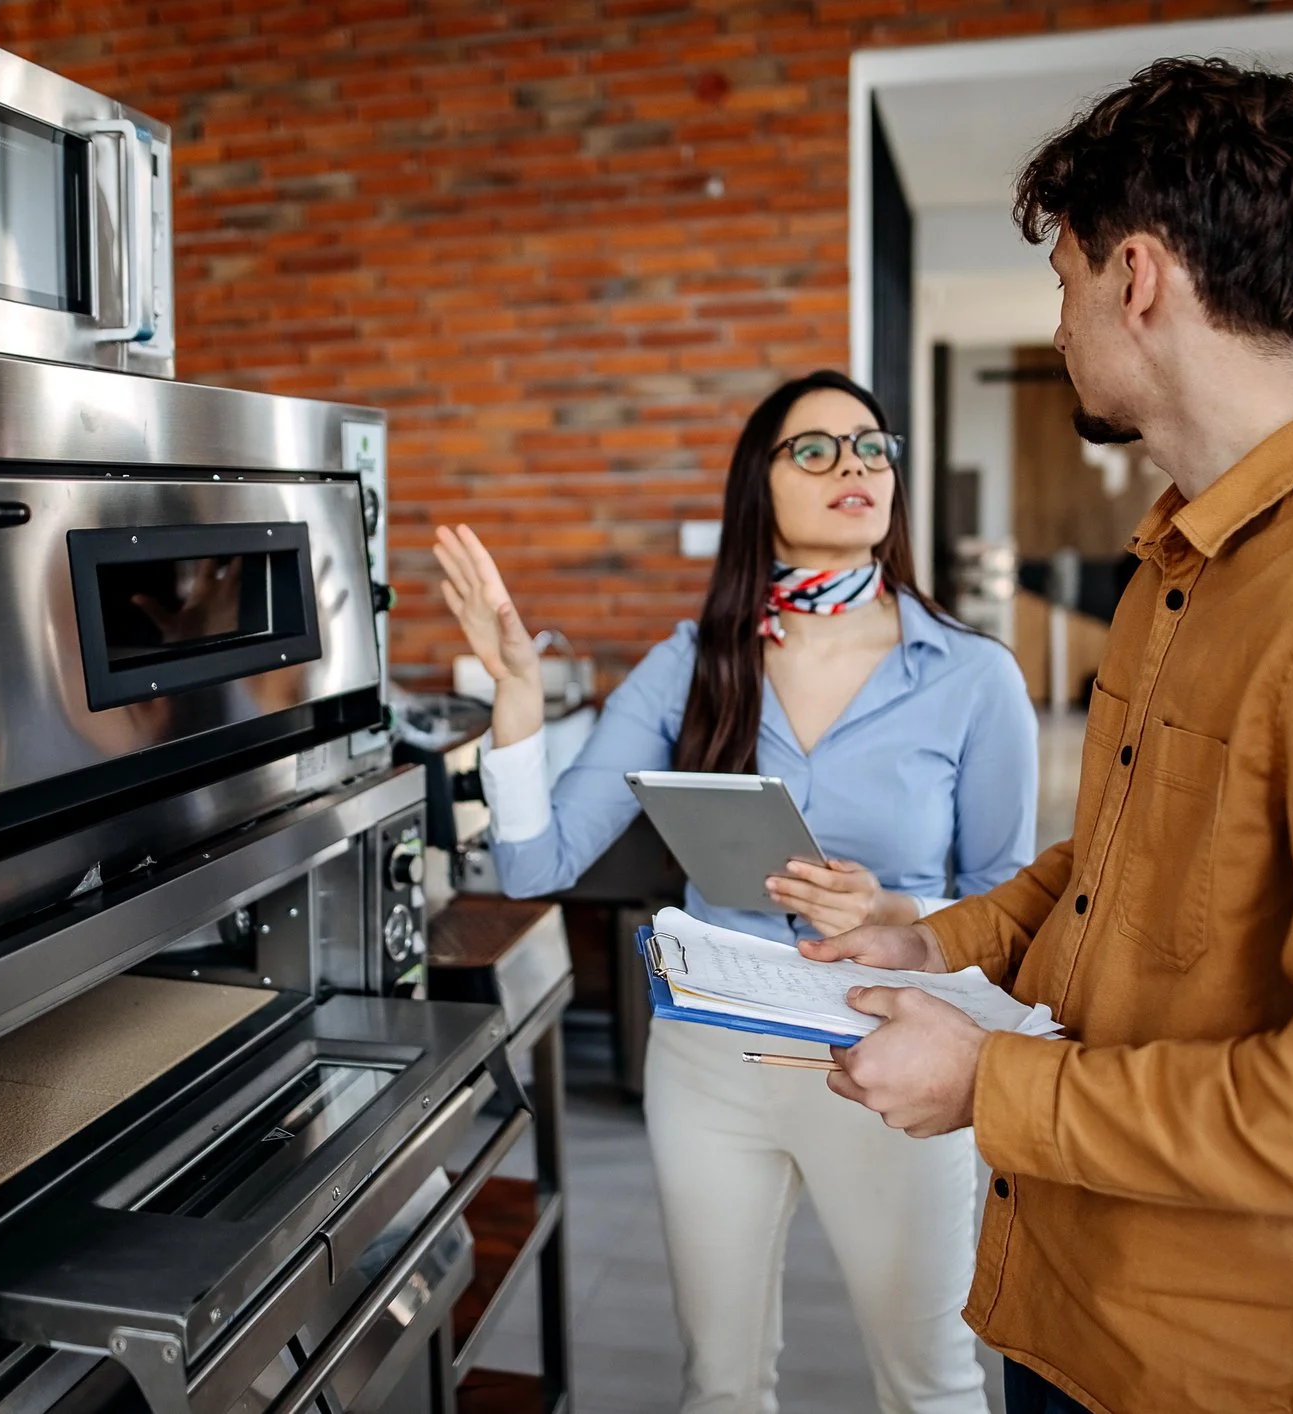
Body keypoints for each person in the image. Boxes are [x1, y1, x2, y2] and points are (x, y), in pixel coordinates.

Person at [808, 58, 1293, 1414]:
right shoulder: (1189, 557)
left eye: (1067, 282)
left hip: (1234, 1361)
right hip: (1082, 1288)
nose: (1061, 328)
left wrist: (997, 1084)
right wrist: (940, 937)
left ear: (1138, 277)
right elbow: (1124, 869)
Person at [433, 370, 1036, 1414]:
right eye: (814, 449)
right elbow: (535, 866)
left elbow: (1008, 908)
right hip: (708, 1064)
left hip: (890, 1051)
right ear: (759, 489)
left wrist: (886, 910)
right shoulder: (690, 663)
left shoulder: (972, 676)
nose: (853, 464)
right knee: (718, 1385)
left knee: (928, 1382)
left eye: (870, 446)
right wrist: (516, 702)